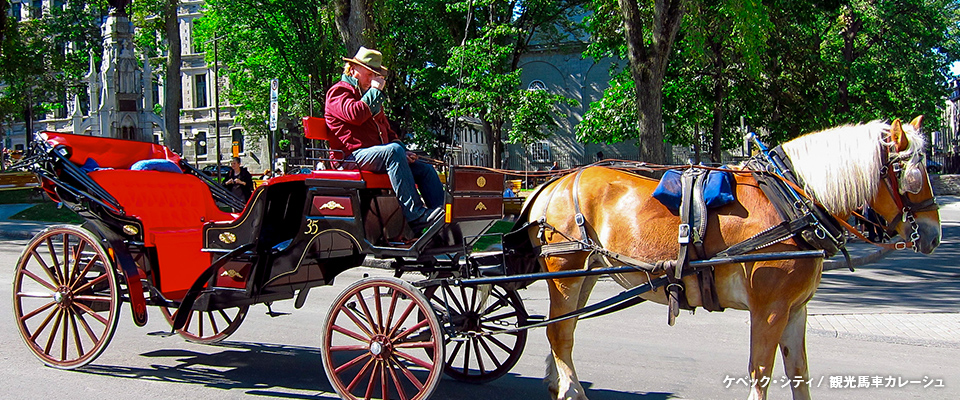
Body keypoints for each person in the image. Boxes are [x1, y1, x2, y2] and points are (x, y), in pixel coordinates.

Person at [325, 46, 444, 231]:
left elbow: (388, 133)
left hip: (376, 158)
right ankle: (417, 216)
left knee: (424, 168)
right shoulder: (338, 92)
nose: (374, 79)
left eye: (376, 75)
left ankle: (444, 216)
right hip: (350, 158)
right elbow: (355, 115)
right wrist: (374, 92)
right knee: (393, 152)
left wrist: (404, 152)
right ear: (353, 69)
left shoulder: (370, 98)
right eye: (371, 73)